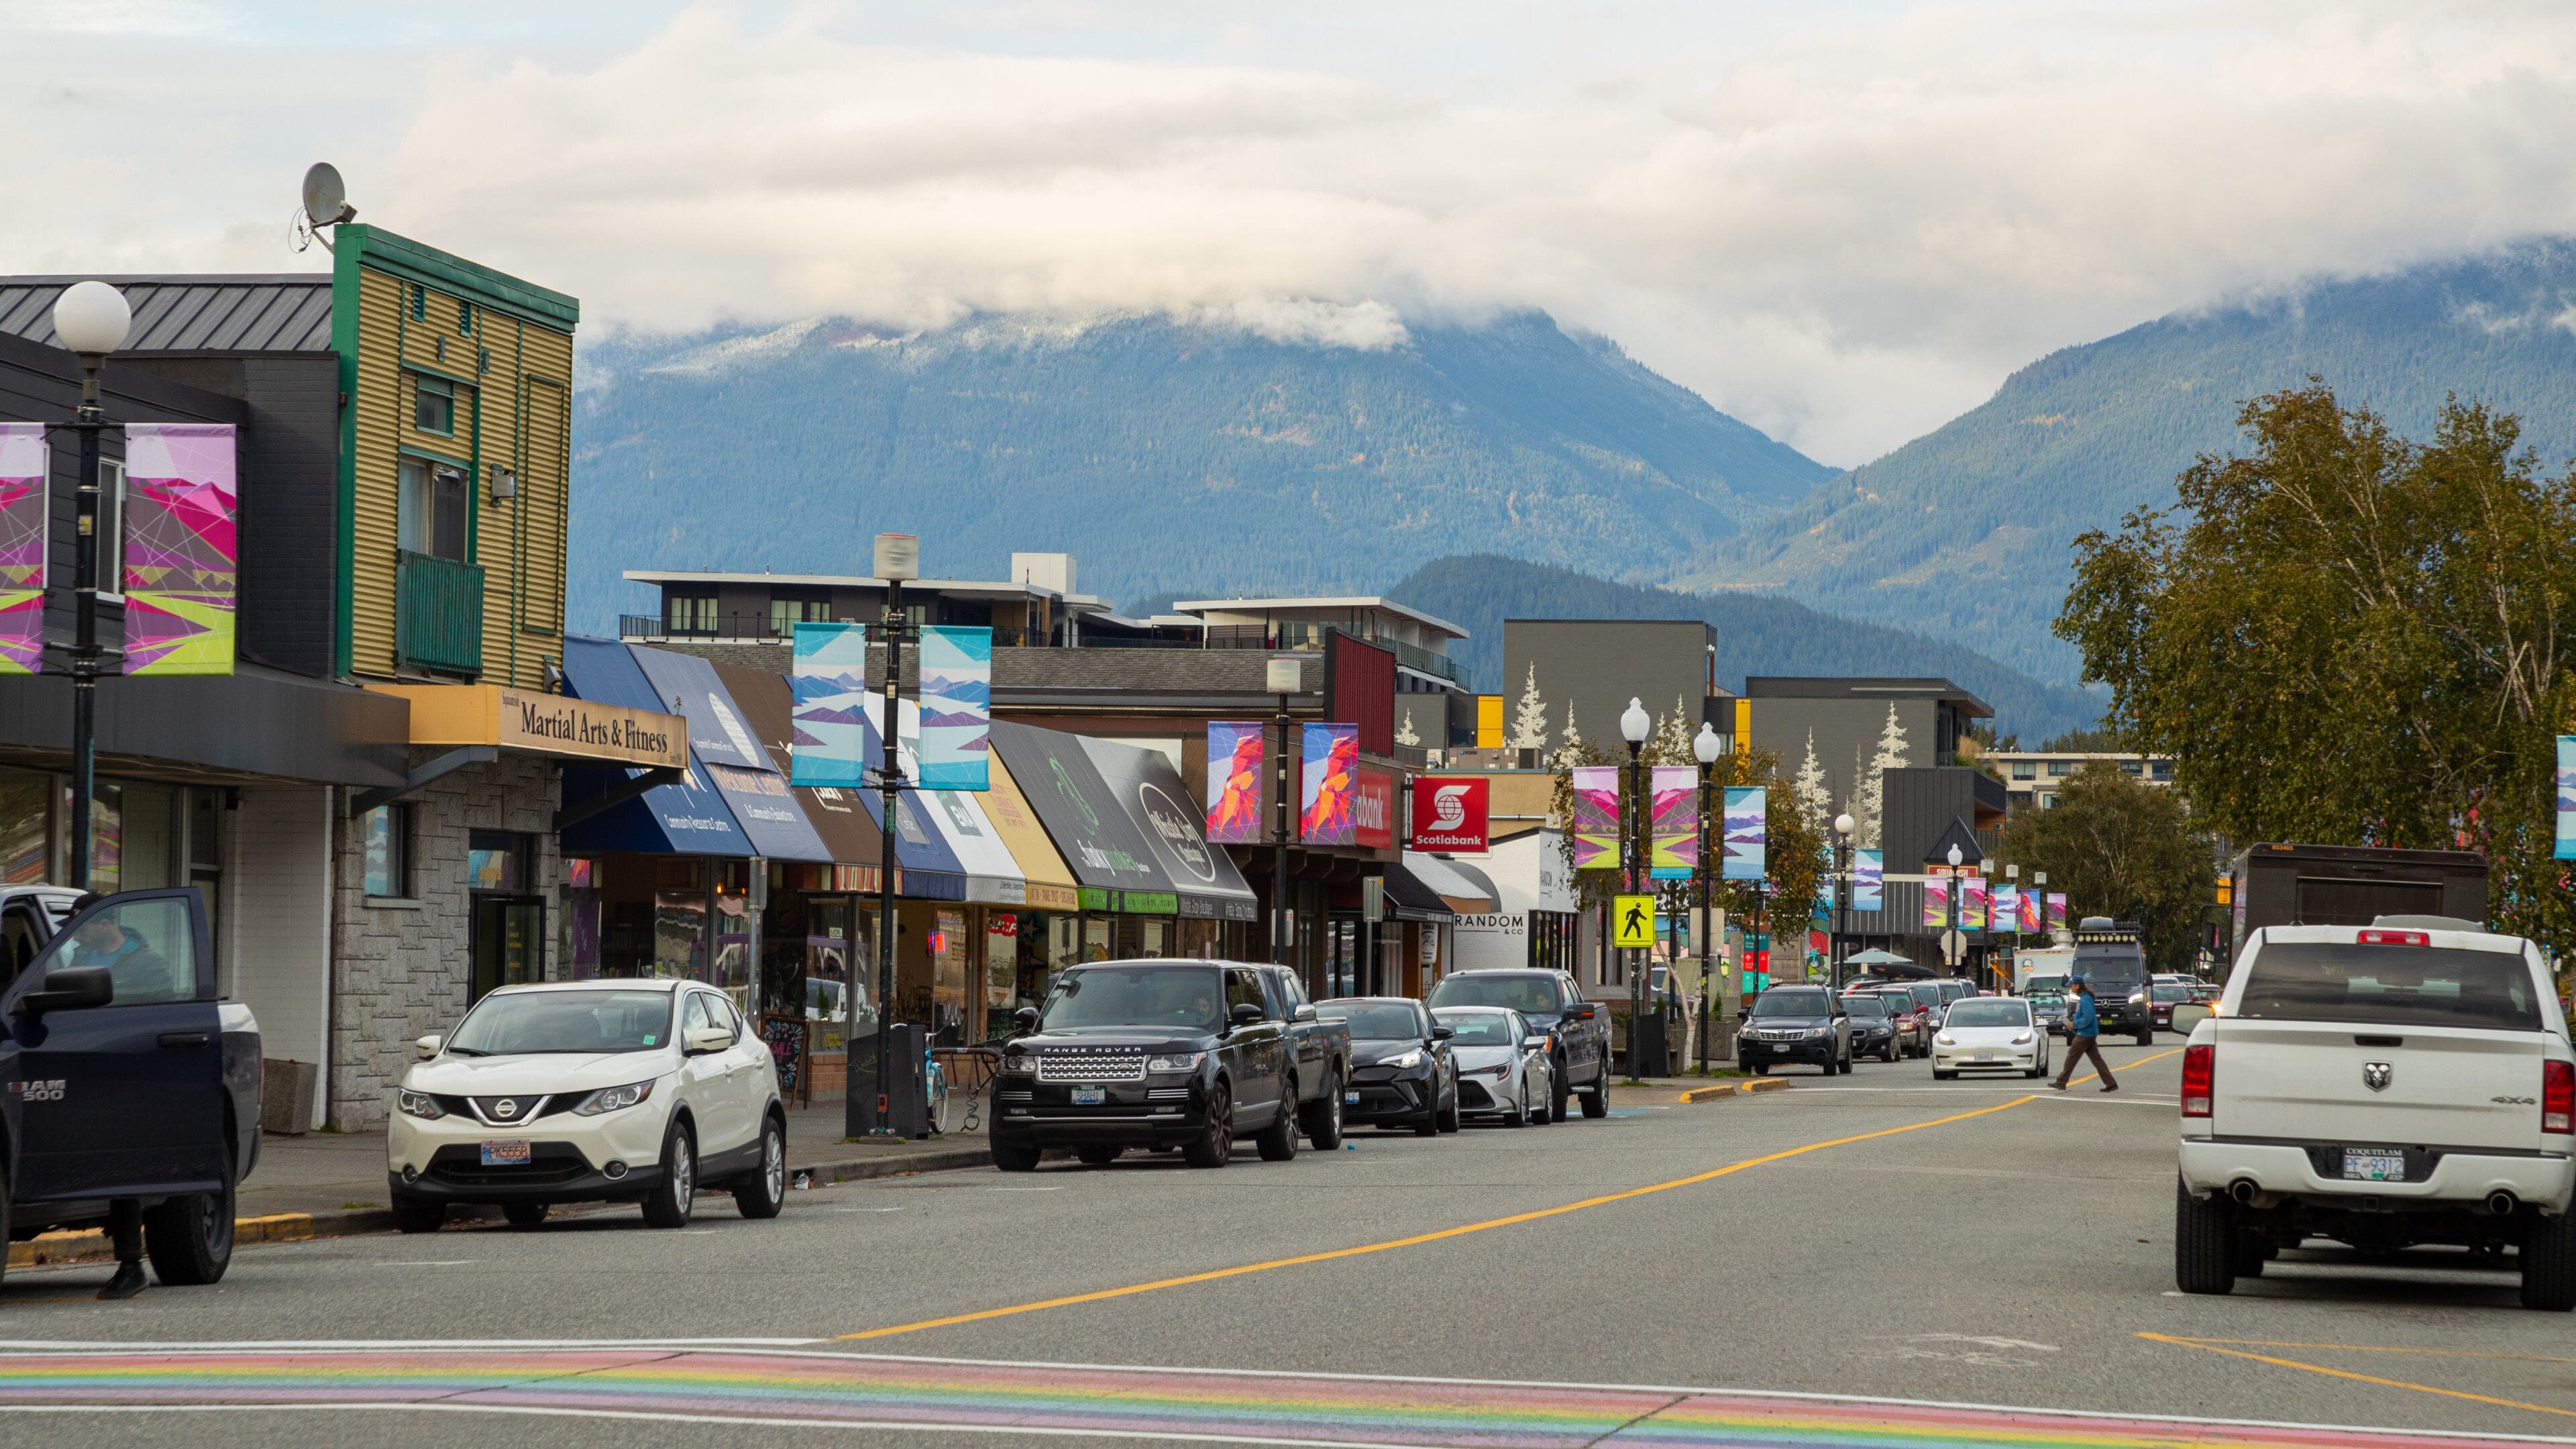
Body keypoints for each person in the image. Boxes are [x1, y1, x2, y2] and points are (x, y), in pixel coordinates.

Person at [2051, 973, 2119, 1093]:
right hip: (2089, 1033)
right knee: (2097, 1060)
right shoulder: (2085, 997)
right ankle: (2111, 1083)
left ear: (2077, 986)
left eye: (2071, 986)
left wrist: (2074, 1024)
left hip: (2085, 1034)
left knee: (2071, 1058)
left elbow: (2088, 1018)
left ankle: (2061, 1081)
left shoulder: (2086, 999)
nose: (2070, 988)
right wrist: (2073, 1025)